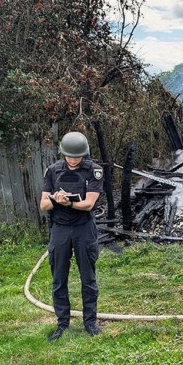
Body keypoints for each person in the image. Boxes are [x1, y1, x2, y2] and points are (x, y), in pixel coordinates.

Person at [40, 132, 104, 341]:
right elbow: (43, 205)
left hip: (84, 228)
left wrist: (70, 203)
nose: (73, 160)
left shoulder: (94, 171)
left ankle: (90, 322)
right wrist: (56, 200)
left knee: (88, 277)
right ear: (63, 153)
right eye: (70, 156)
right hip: (60, 229)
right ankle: (62, 323)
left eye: (77, 156)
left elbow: (89, 204)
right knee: (59, 278)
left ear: (84, 154)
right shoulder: (52, 171)